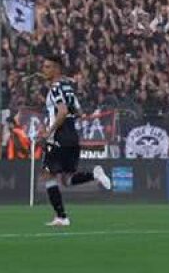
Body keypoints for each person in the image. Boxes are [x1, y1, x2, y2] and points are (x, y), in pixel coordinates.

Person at [37, 53, 112, 227]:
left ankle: (62, 217)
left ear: (56, 69)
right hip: (72, 135)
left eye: (47, 67)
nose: (44, 69)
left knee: (48, 174)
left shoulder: (56, 88)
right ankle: (94, 175)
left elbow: (62, 112)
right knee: (67, 180)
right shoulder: (68, 88)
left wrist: (48, 131)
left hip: (59, 136)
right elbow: (78, 112)